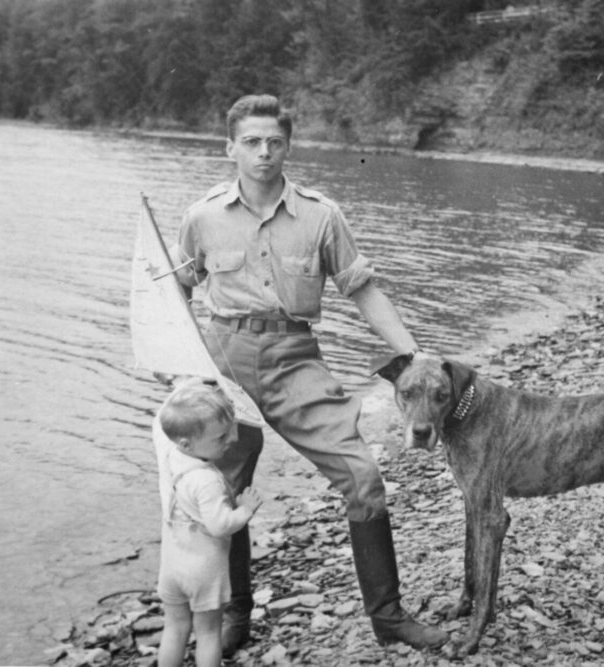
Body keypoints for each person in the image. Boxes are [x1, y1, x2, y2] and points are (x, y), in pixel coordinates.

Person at [169, 93, 447, 654]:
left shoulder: (322, 215)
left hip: (295, 357)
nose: (263, 153)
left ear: (288, 147)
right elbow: (178, 289)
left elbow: (362, 290)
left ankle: (389, 618)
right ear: (230, 148)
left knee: (362, 477)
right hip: (223, 363)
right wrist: (179, 365)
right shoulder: (201, 217)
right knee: (222, 489)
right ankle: (235, 615)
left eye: (274, 142)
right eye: (251, 142)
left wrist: (414, 354)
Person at [154, 379, 265, 667]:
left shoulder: (170, 456)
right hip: (202, 572)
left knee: (174, 629)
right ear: (186, 443)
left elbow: (165, 420)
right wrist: (245, 510)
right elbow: (220, 525)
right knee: (208, 634)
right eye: (221, 437)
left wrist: (185, 386)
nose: (231, 440)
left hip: (172, 567)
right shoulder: (207, 480)